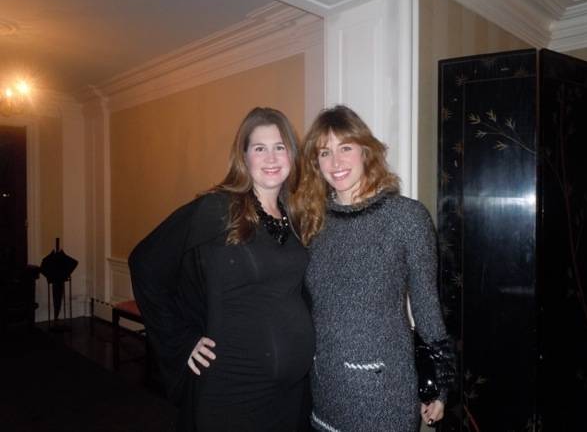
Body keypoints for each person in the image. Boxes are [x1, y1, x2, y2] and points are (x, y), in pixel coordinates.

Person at [128, 107, 315, 432]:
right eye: (260, 148)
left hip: (290, 394)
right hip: (234, 386)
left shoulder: (295, 216)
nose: (271, 158)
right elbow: (145, 263)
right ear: (244, 156)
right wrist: (182, 340)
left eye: (280, 147)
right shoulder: (217, 208)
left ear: (292, 155)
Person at [293, 105, 454, 432]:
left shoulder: (406, 218)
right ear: (315, 162)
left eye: (345, 148)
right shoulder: (312, 222)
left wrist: (440, 383)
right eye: (325, 152)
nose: (335, 162)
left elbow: (426, 306)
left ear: (366, 151)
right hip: (324, 390)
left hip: (385, 393)